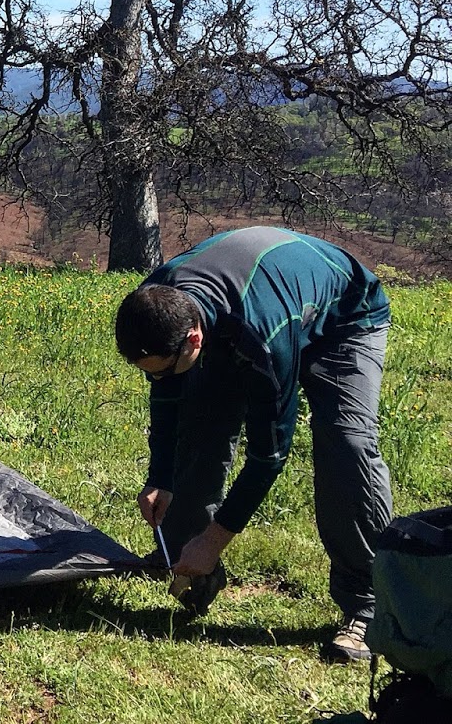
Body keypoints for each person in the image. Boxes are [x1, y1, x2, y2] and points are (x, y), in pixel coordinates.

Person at [113, 227, 392, 663]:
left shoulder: (263, 337)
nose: (156, 380)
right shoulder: (157, 301)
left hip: (344, 318)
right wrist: (161, 477)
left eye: (161, 368)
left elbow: (269, 454)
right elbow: (167, 393)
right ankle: (186, 559)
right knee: (198, 412)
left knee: (347, 445)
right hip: (239, 313)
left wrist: (216, 540)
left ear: (193, 340)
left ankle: (371, 604)